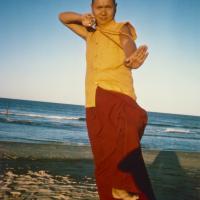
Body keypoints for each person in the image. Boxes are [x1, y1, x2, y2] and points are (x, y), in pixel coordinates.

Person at [59, 0, 157, 199]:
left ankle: (124, 183)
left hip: (118, 92)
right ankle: (114, 192)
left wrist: (131, 56)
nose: (103, 11)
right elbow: (63, 17)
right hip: (92, 99)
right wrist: (81, 18)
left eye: (108, 7)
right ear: (92, 8)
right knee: (103, 156)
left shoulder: (122, 28)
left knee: (134, 118)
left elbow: (127, 41)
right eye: (99, 7)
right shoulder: (90, 32)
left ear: (115, 8)